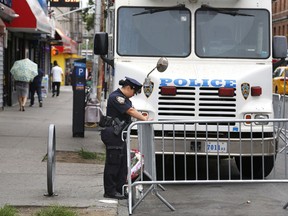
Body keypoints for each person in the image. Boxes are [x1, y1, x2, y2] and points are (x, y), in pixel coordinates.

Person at [101, 77, 148, 200]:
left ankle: (119, 188)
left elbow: (133, 110)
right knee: (114, 163)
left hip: (120, 134)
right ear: (128, 88)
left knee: (122, 164)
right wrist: (144, 119)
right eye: (134, 91)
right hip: (113, 134)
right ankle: (110, 191)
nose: (133, 95)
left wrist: (143, 117)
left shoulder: (125, 98)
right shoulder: (116, 97)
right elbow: (131, 111)